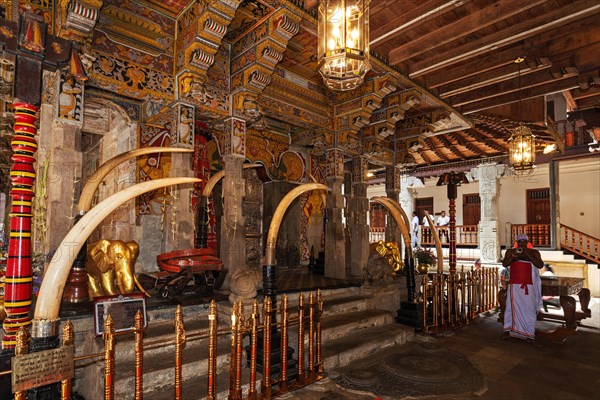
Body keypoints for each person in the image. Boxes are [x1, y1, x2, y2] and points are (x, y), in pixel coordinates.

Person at [502, 234, 544, 341]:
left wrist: (528, 255)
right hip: (514, 286)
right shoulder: (511, 252)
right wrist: (514, 256)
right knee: (510, 308)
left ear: (527, 242)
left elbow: (540, 265)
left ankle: (529, 333)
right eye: (519, 242)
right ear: (516, 242)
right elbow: (505, 263)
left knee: (529, 309)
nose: (522, 244)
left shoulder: (534, 252)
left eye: (524, 242)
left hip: (528, 286)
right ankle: (509, 329)